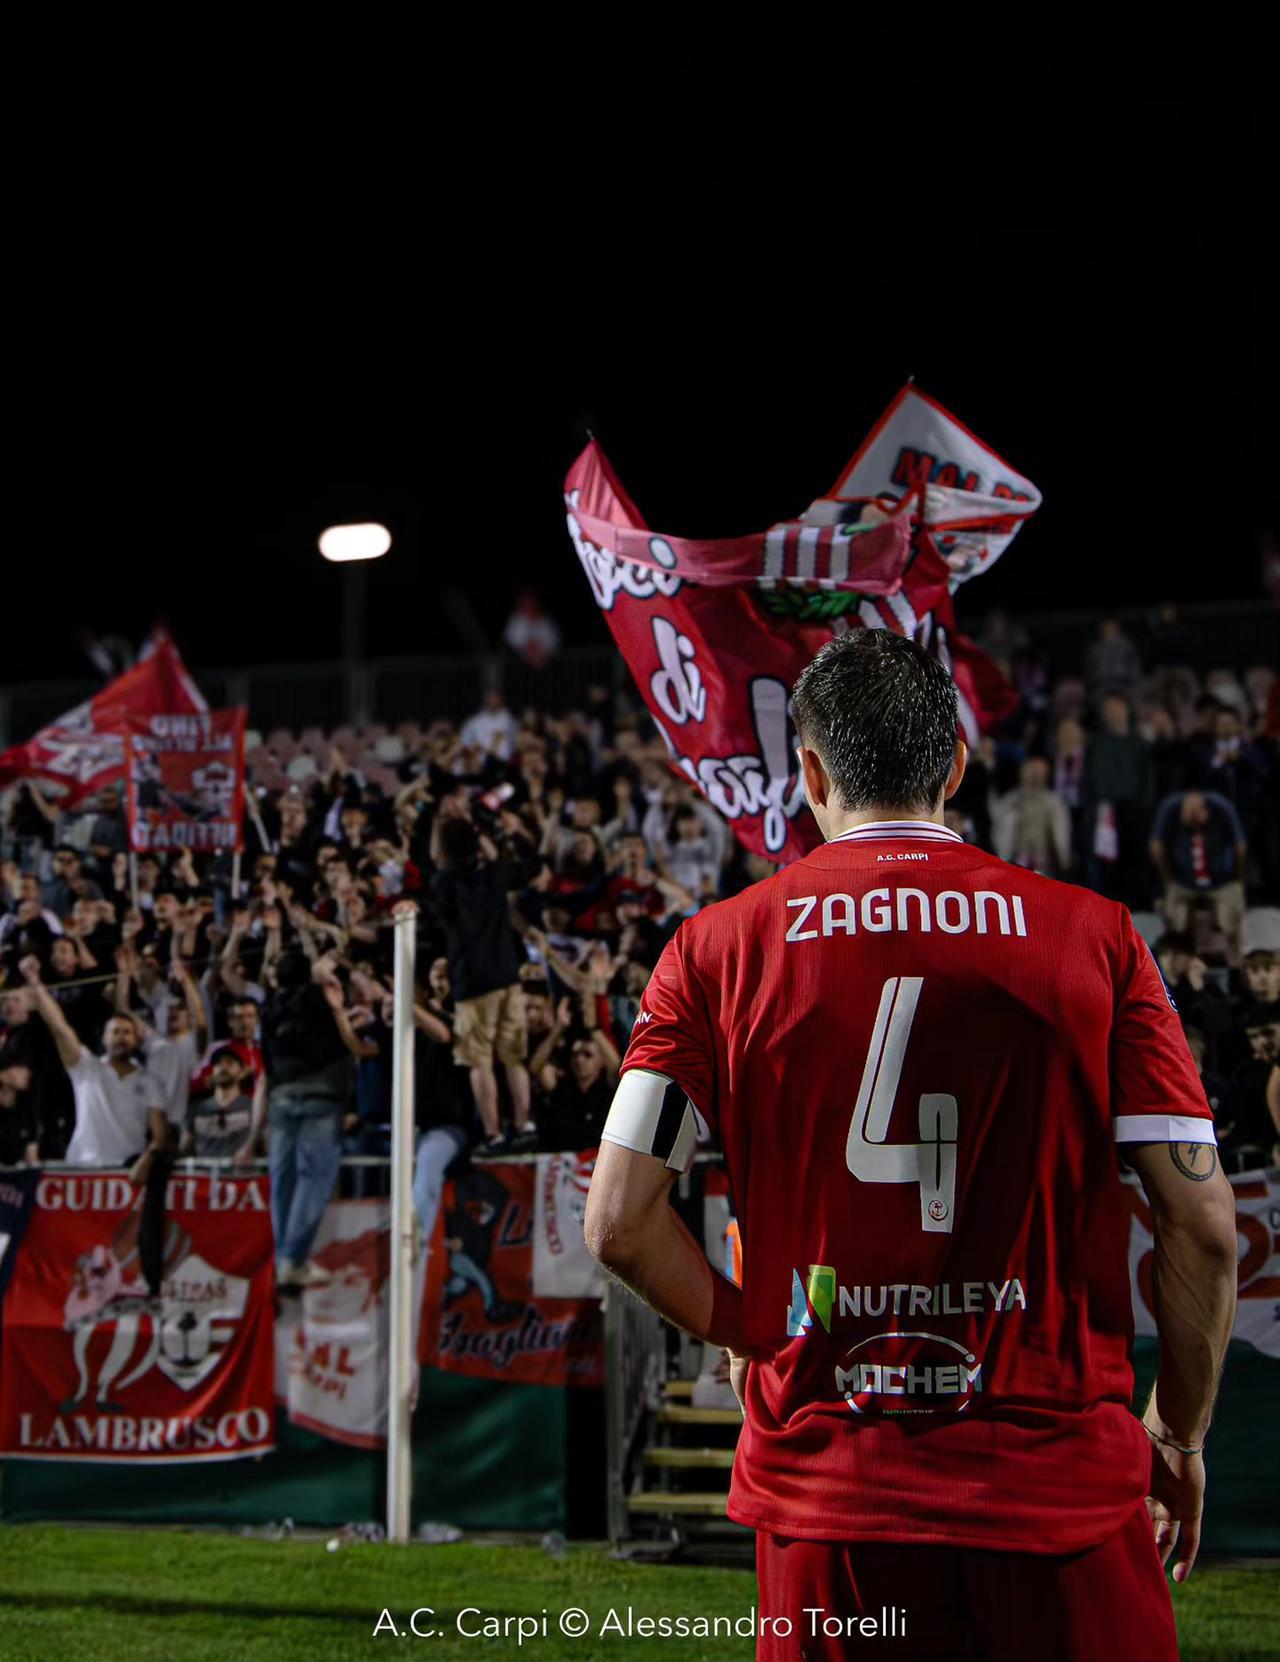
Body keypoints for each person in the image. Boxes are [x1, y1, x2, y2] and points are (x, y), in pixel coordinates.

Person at [585, 629, 1237, 1662]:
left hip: (830, 1498)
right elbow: (1201, 1227)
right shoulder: (1096, 935)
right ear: (954, 766)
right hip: (1055, 1497)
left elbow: (617, 1223)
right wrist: (1178, 1435)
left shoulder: (711, 950)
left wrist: (754, 1325)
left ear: (807, 772)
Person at [1149, 789, 1248, 964]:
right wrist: (1168, 881)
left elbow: (1240, 846)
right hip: (1183, 881)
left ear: (1206, 810)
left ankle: (1236, 969)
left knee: (1231, 919)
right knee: (1175, 923)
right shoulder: (1170, 810)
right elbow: (1157, 847)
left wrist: (1237, 880)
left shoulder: (1222, 808)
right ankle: (1177, 972)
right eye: (1190, 822)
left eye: (1198, 820)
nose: (1195, 827)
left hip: (1221, 881)